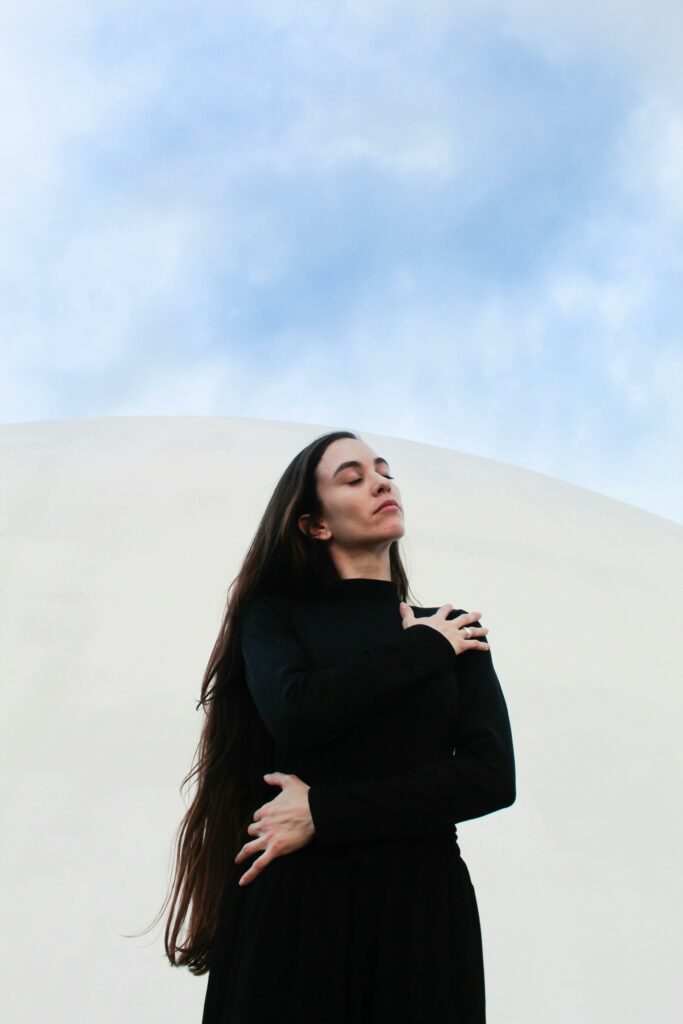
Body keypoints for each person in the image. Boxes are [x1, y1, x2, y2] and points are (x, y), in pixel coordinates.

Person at [151, 428, 516, 1023]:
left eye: (384, 471)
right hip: (297, 909)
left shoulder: (455, 629)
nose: (381, 482)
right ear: (314, 525)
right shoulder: (275, 619)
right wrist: (421, 649)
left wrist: (326, 812)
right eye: (352, 477)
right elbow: (298, 713)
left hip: (422, 914)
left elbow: (491, 778)